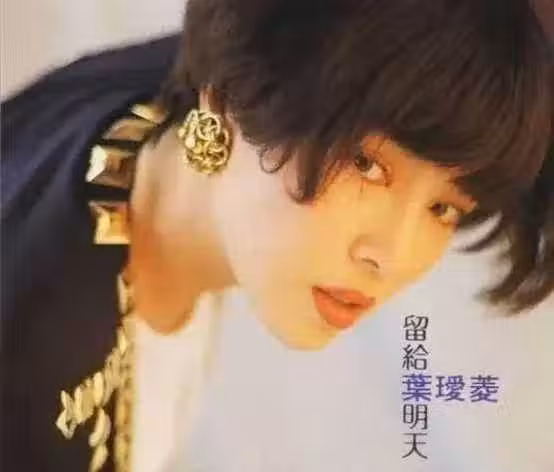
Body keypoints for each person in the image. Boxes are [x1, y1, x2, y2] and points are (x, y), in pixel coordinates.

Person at [1, 0, 553, 471]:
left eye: (443, 208)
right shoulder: (36, 367)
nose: (392, 256)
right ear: (228, 93)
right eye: (365, 164)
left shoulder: (161, 119)